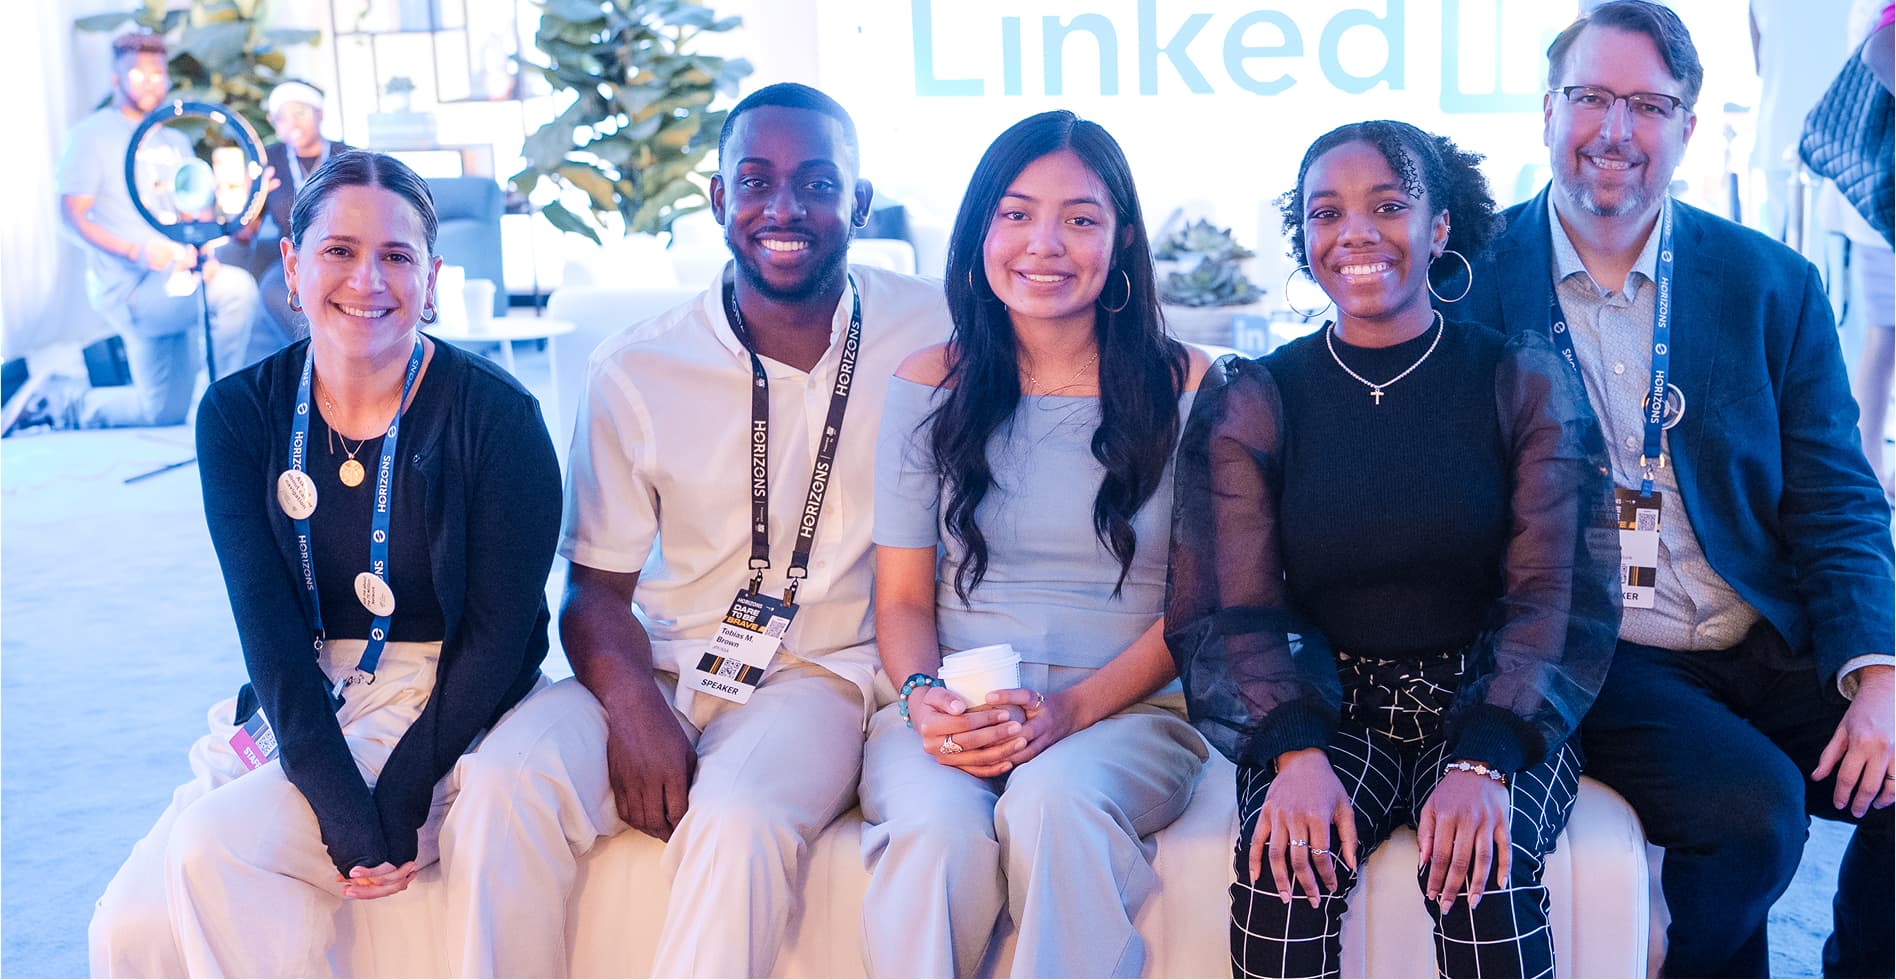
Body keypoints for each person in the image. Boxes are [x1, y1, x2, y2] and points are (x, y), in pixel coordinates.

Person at [430, 83, 952, 977]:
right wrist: (633, 707)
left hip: (819, 673)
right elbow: (594, 591)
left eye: (819, 184)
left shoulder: (939, 327)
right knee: (501, 788)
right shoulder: (637, 365)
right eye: (754, 181)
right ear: (718, 200)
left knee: (739, 821)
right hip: (664, 659)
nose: (784, 208)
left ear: (860, 204)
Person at [1461, 3, 1895, 975]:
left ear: (1688, 129)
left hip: (1757, 622)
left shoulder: (1769, 284)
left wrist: (1880, 672)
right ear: (1546, 110)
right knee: (1757, 812)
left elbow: (1838, 494)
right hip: (1594, 647)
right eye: (1592, 97)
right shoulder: (1471, 284)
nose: (1617, 130)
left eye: (1649, 105)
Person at [87, 151, 563, 976]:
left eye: (396, 255)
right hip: (304, 696)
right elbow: (266, 632)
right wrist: (336, 797)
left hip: (446, 694)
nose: (366, 280)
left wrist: (400, 795)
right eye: (339, 251)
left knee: (213, 849)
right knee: (128, 926)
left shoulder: (499, 417)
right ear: (291, 264)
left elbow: (503, 635)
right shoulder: (237, 414)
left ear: (433, 275)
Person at [1167, 120, 1619, 979]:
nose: (1356, 233)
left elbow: (1554, 593)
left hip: (1494, 695)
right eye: (1326, 213)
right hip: (1330, 705)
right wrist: (1292, 751)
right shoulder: (1260, 394)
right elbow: (1234, 602)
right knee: (1281, 877)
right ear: (1303, 239)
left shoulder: (1518, 380)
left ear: (1439, 226)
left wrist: (1486, 755)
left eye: (1388, 205)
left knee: (1480, 883)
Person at [860, 110, 1211, 978]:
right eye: (1015, 214)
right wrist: (922, 700)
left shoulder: (1195, 385)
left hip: (1131, 715)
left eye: (1080, 219)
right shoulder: (926, 383)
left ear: (1121, 239)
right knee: (936, 832)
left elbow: (1199, 611)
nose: (1044, 244)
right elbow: (901, 600)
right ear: (981, 227)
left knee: (1054, 801)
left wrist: (1067, 714)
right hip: (954, 710)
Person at [13, 31, 260, 435]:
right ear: (115, 77)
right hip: (132, 290)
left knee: (160, 411)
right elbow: (69, 216)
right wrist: (138, 252)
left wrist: (220, 230)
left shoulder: (175, 138)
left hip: (174, 281)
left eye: (158, 74)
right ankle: (227, 413)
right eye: (139, 74)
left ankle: (60, 402)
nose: (151, 83)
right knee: (235, 290)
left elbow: (191, 214)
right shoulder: (91, 135)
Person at [222, 79, 353, 348]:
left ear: (320, 114)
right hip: (296, 264)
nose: (292, 123)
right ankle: (315, 362)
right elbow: (245, 235)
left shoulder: (349, 157)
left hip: (346, 257)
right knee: (274, 288)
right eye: (282, 117)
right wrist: (252, 199)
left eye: (300, 113)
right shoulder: (267, 160)